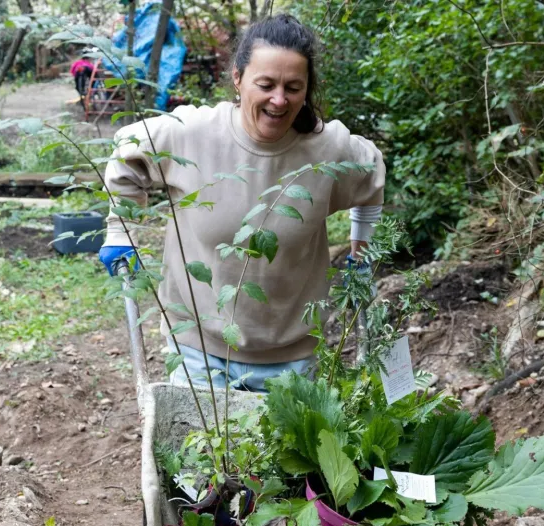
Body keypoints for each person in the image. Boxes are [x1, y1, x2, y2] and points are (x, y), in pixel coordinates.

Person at [97, 14, 385, 393]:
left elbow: (372, 174)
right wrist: (120, 230)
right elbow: (126, 149)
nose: (279, 100)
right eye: (265, 84)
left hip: (292, 358)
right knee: (204, 452)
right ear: (238, 78)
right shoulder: (191, 134)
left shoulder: (328, 148)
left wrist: (362, 253)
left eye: (293, 87)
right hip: (197, 349)